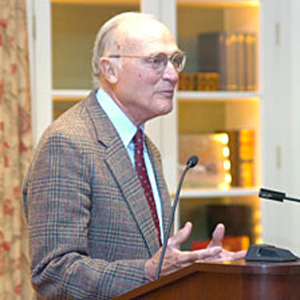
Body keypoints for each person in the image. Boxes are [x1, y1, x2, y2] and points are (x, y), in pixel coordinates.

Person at [23, 12, 246, 299]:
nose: (173, 75)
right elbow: (53, 272)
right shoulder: (67, 142)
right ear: (110, 70)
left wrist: (194, 268)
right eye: (157, 61)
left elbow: (153, 257)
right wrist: (146, 271)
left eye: (175, 60)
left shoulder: (146, 148)